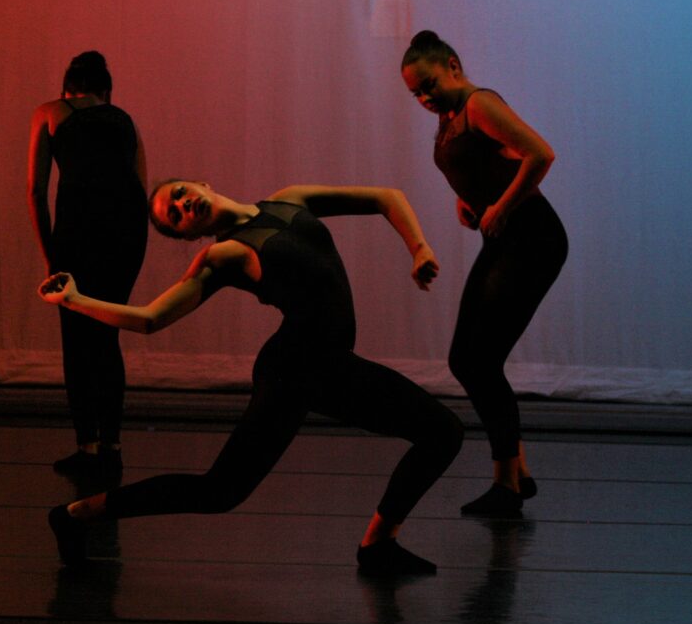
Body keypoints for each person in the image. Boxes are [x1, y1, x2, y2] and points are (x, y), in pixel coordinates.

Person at [39, 180, 464, 576]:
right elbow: (151, 319)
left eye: (181, 194)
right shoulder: (223, 256)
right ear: (189, 235)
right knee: (218, 493)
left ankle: (377, 546)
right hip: (297, 369)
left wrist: (419, 248)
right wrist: (75, 300)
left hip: (322, 364)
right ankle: (75, 514)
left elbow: (384, 197)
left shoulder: (290, 199)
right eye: (175, 215)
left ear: (202, 184)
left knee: (441, 433)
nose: (183, 205)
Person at [400, 30, 568, 517]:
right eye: (416, 94)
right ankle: (519, 473)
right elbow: (481, 160)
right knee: (464, 359)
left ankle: (507, 484)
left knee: (479, 362)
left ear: (452, 65)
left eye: (429, 85)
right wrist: (468, 199)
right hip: (505, 239)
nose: (425, 98)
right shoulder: (452, 114)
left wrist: (501, 205)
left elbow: (541, 153)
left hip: (533, 239)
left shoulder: (478, 103)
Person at [27, 51, 148, 481]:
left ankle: (87, 445)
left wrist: (50, 257)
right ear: (105, 90)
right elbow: (141, 189)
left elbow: (36, 190)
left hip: (77, 233)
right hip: (125, 235)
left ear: (67, 87)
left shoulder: (49, 112)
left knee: (77, 343)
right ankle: (112, 446)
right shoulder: (125, 119)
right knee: (107, 336)